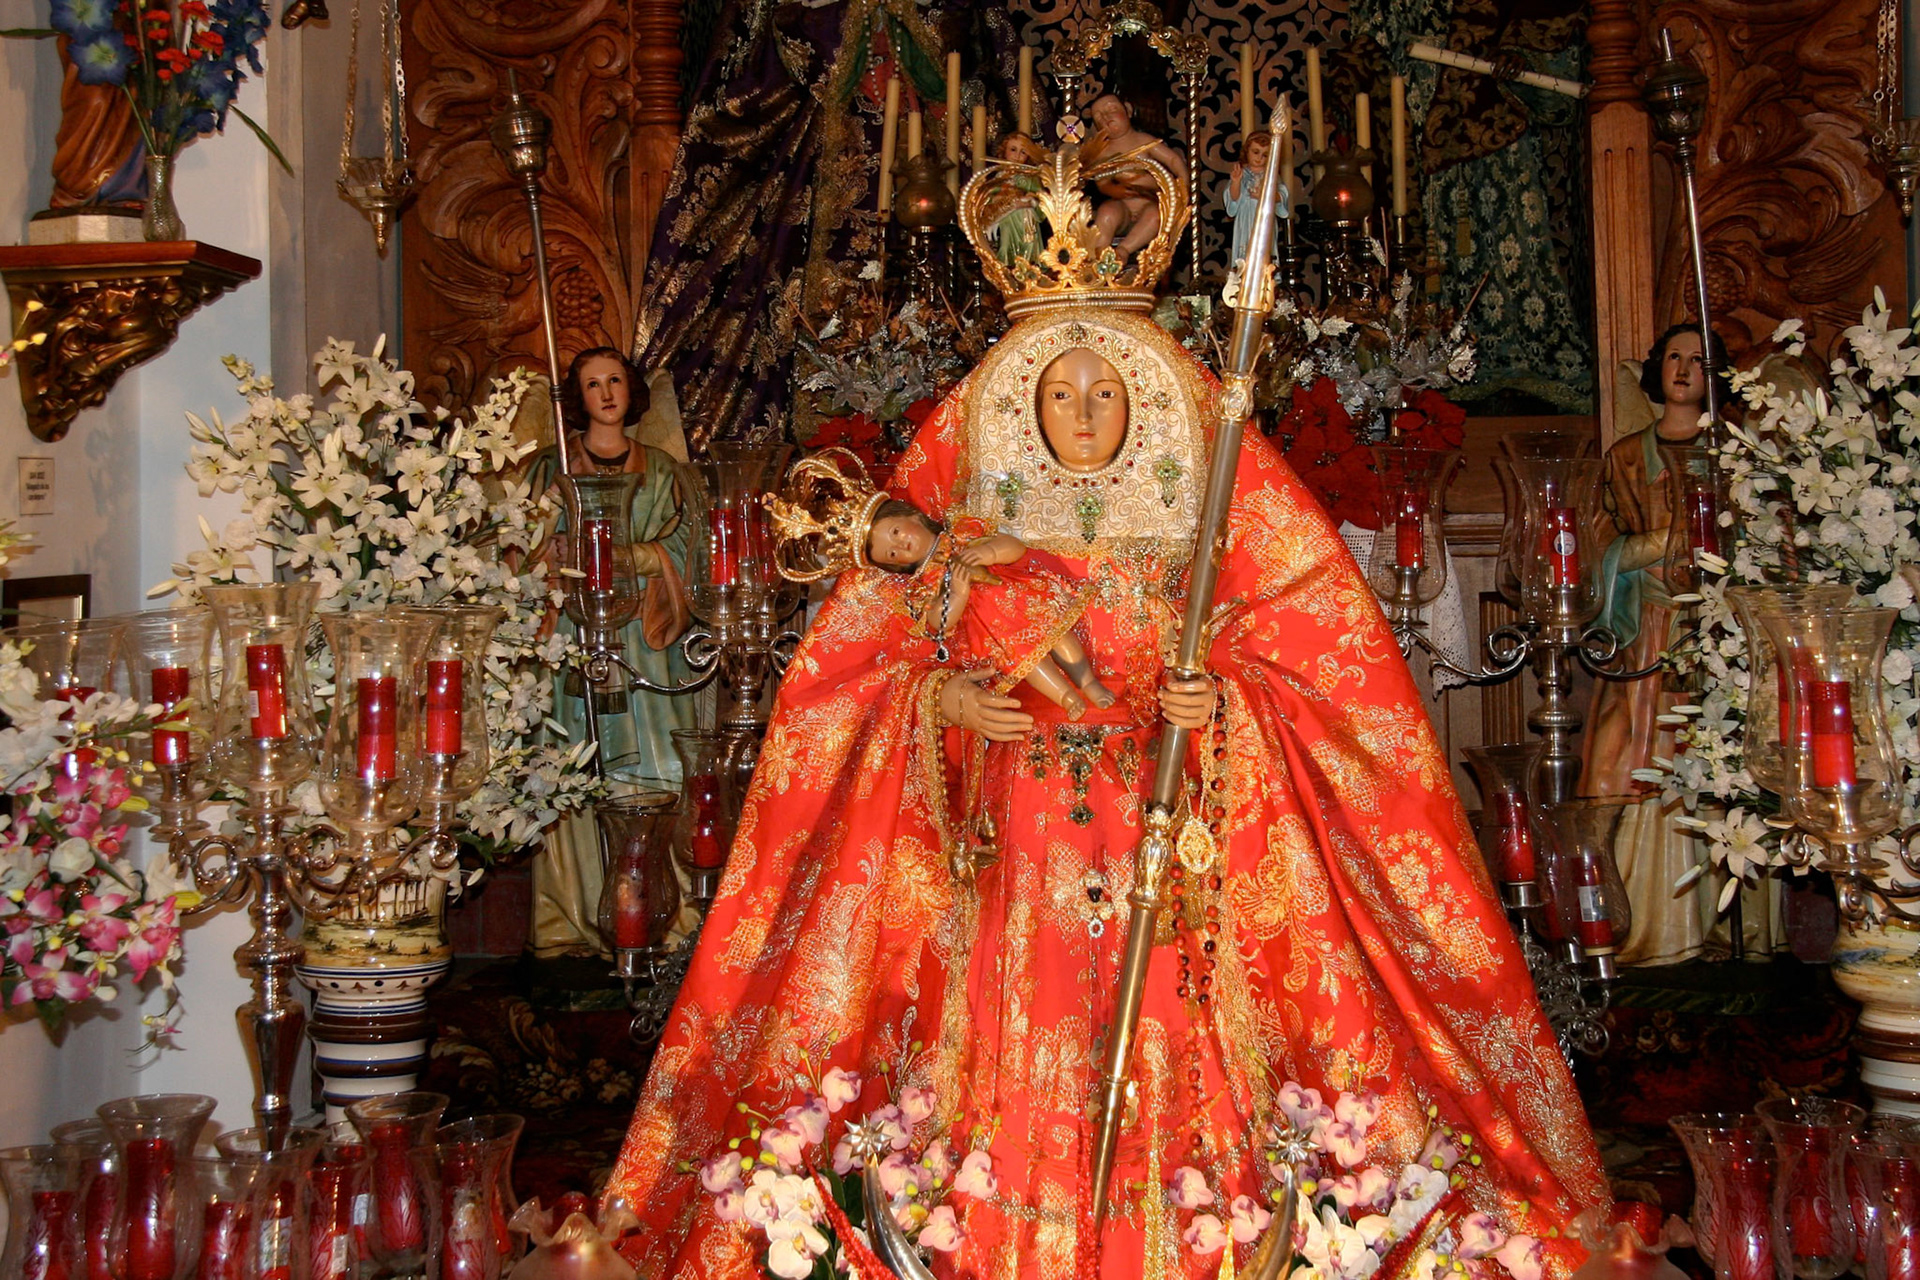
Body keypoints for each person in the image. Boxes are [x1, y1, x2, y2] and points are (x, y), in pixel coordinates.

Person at [606, 155, 1606, 1280]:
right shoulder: (969, 530)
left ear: (1142, 401)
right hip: (1019, 828)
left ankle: (1189, 1232)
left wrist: (1222, 696)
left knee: (1180, 1024)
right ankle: (993, 1223)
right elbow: (863, 673)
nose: (1083, 414)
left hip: (1163, 818)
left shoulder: (1204, 515)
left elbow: (1315, 658)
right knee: (1003, 1023)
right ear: (1025, 409)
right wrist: (949, 698)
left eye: (1105, 394)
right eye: (1061, 396)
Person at [526, 346, 701, 957]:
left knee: (659, 770)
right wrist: (552, 548)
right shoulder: (553, 468)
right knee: (575, 772)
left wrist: (634, 558)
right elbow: (517, 546)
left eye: (615, 382)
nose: (605, 394)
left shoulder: (665, 474)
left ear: (632, 392)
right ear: (577, 399)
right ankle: (573, 921)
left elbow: (690, 548)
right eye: (592, 384)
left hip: (648, 645)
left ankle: (663, 918)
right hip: (574, 639)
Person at [773, 447, 1116, 722]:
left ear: (910, 515)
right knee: (1027, 657)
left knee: (1056, 633)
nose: (901, 546)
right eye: (891, 553)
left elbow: (1014, 547)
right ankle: (1066, 694)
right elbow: (937, 623)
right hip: (994, 629)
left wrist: (987, 550)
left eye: (895, 532)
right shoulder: (925, 583)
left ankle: (1086, 679)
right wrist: (958, 593)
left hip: (1021, 599)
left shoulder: (962, 530)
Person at [1581, 324, 1728, 964]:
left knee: (1703, 756)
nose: (1684, 368)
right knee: (1620, 755)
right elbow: (1596, 543)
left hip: (1710, 634)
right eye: (1673, 355)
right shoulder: (1624, 458)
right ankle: (1633, 918)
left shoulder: (1729, 451)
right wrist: (1658, 545)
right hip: (1643, 632)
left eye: (1699, 359)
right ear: (1655, 370)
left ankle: (1708, 924)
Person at [1079, 93, 1188, 263]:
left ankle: (1124, 250)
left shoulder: (1143, 141)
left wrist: (1182, 186)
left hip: (1148, 202)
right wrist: (1115, 190)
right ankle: (1098, 255)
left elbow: (1173, 160)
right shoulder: (1103, 152)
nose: (1106, 117)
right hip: (1123, 205)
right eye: (1099, 116)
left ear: (1128, 110)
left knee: (1155, 217)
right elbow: (1103, 183)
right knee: (1107, 212)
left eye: (1111, 109)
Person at [1224, 129, 1288, 268]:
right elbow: (1233, 201)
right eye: (1255, 152)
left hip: (1265, 218)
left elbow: (1281, 195)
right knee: (1246, 253)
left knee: (1265, 250)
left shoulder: (1272, 176)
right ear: (1247, 151)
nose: (1259, 158)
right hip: (1246, 219)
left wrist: (1266, 195)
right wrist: (1235, 182)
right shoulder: (1241, 173)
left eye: (1265, 155)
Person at [987, 133, 1046, 269]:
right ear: (1004, 151)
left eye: (1023, 152)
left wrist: (1030, 201)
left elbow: (1042, 199)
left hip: (1026, 221)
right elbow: (990, 199)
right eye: (1013, 150)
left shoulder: (1031, 178)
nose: (1017, 155)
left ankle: (1030, 268)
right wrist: (1004, 201)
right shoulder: (999, 177)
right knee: (1007, 244)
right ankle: (1008, 268)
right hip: (1007, 219)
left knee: (1028, 244)